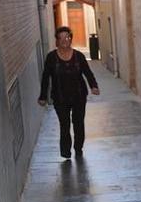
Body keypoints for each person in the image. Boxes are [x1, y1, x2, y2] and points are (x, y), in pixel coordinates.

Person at [38, 26, 100, 159]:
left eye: (67, 37)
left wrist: (93, 86)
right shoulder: (51, 58)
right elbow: (45, 77)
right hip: (60, 98)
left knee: (78, 123)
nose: (64, 40)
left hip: (78, 96)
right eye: (61, 38)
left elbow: (87, 72)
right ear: (57, 41)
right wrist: (43, 96)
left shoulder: (79, 56)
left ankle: (78, 147)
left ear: (71, 39)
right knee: (64, 124)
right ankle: (66, 151)